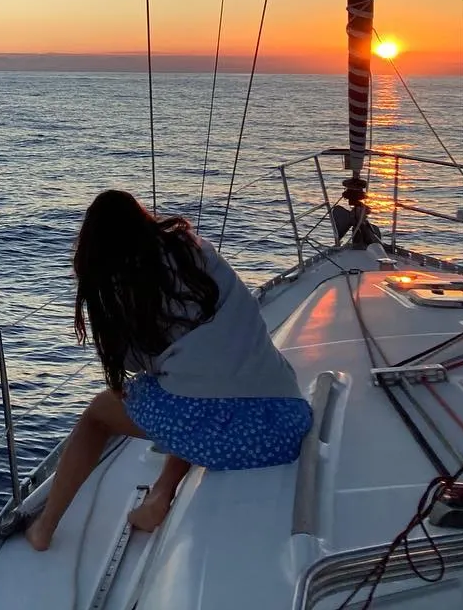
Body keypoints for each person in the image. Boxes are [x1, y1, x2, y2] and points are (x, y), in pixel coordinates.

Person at [25, 189, 312, 552]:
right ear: (144, 219)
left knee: (104, 414)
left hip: (225, 441)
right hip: (282, 426)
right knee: (189, 389)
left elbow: (132, 364)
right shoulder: (196, 251)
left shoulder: (119, 287)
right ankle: (163, 490)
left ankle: (44, 527)